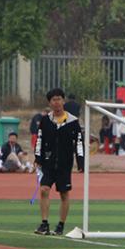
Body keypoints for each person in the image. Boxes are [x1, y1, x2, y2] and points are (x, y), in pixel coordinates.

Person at [34, 88, 85, 236]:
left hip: (65, 163)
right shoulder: (45, 120)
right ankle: (44, 224)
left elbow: (79, 143)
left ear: (63, 101)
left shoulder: (73, 122)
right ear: (50, 103)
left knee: (64, 194)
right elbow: (39, 140)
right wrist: (38, 158)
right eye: (53, 100)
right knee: (44, 190)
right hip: (48, 162)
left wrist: (80, 162)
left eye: (59, 99)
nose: (56, 102)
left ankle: (61, 225)